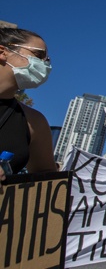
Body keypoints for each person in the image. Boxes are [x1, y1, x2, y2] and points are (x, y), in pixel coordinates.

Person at [0, 28, 56, 184]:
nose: (45, 65)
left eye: (47, 60)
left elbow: (45, 179)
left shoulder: (34, 122)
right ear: (3, 52)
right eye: (38, 55)